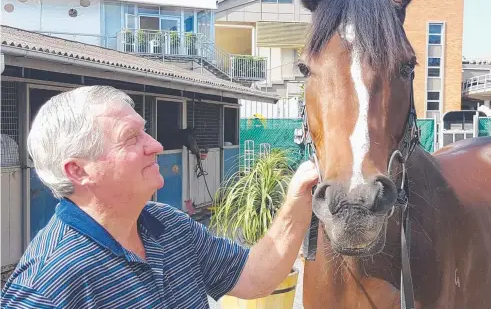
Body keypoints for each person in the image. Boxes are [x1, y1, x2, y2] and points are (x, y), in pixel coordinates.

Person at [1, 86, 319, 308]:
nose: (155, 145)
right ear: (79, 171)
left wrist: (300, 194)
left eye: (145, 131)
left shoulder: (170, 226)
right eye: (131, 138)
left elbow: (254, 277)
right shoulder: (49, 282)